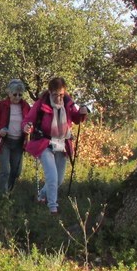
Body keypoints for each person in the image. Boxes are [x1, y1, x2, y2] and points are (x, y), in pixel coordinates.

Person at [22, 76, 88, 213]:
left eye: (61, 95)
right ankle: (53, 208)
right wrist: (27, 126)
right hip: (44, 142)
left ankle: (41, 196)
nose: (58, 98)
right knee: (52, 176)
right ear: (50, 91)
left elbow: (76, 118)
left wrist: (82, 113)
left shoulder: (68, 103)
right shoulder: (41, 103)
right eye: (55, 94)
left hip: (62, 143)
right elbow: (28, 119)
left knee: (59, 180)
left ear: (64, 92)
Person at [0, 79, 31, 193]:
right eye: (15, 94)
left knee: (16, 171)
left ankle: (9, 191)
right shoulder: (1, 105)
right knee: (5, 171)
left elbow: (31, 121)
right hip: (3, 142)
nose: (17, 97)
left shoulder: (26, 106)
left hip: (18, 143)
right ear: (9, 93)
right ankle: (0, 194)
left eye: (20, 94)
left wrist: (29, 127)